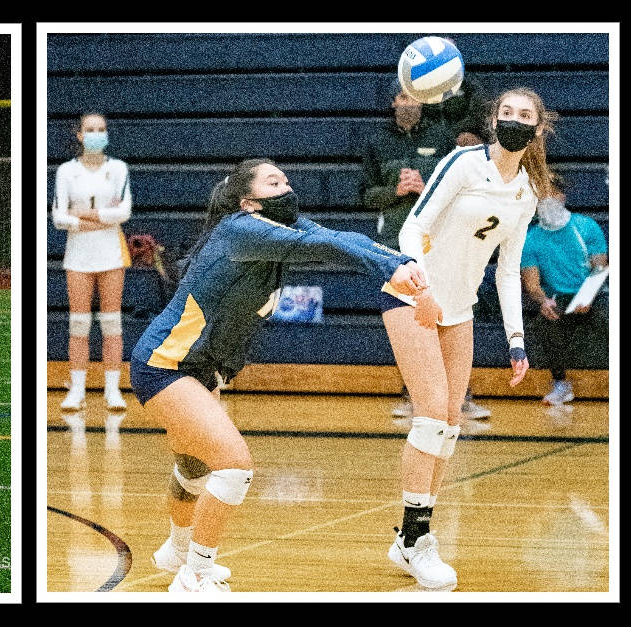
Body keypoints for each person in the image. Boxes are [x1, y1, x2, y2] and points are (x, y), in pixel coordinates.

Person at [135, 159, 426, 592]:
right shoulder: (240, 230)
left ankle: (177, 550)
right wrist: (392, 268)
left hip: (201, 369)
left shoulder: (272, 233)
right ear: (249, 203)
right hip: (164, 363)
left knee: (193, 466)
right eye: (274, 182)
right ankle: (194, 574)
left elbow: (334, 236)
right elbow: (324, 248)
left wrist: (397, 260)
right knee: (234, 466)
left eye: (287, 180)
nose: (287, 187)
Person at [381, 87, 552, 590]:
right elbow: (414, 228)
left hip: (459, 310)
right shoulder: (462, 161)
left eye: (525, 115)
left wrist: (517, 342)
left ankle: (412, 539)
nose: (514, 120)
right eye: (506, 112)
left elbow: (507, 271)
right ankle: (415, 540)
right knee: (431, 414)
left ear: (538, 129)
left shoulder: (527, 192)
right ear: (493, 119)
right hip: (411, 295)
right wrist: (421, 283)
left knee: (450, 426)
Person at [361, 79, 491, 421]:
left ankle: (462, 396)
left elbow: (460, 188)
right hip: (393, 243)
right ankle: (414, 396)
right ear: (392, 102)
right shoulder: (376, 141)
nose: (409, 103)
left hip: (438, 240)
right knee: (410, 317)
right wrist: (395, 190)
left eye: (414, 98)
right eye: (403, 97)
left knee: (450, 313)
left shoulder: (441, 135)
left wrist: (425, 190)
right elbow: (364, 195)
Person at [52, 112, 133, 411]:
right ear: (80, 135)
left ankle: (113, 390)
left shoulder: (119, 169)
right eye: (90, 129)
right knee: (79, 324)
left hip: (111, 254)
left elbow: (123, 213)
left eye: (101, 129)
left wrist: (82, 215)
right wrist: (98, 218)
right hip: (78, 256)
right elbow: (59, 217)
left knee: (112, 323)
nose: (96, 133)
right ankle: (77, 390)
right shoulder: (66, 172)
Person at [520, 191, 608, 405]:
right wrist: (543, 301)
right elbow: (532, 284)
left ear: (562, 197)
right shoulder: (531, 239)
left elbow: (600, 267)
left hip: (593, 293)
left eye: (550, 193)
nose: (546, 200)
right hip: (558, 298)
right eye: (540, 195)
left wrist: (587, 297)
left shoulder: (585, 226)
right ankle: (561, 385)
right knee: (545, 322)